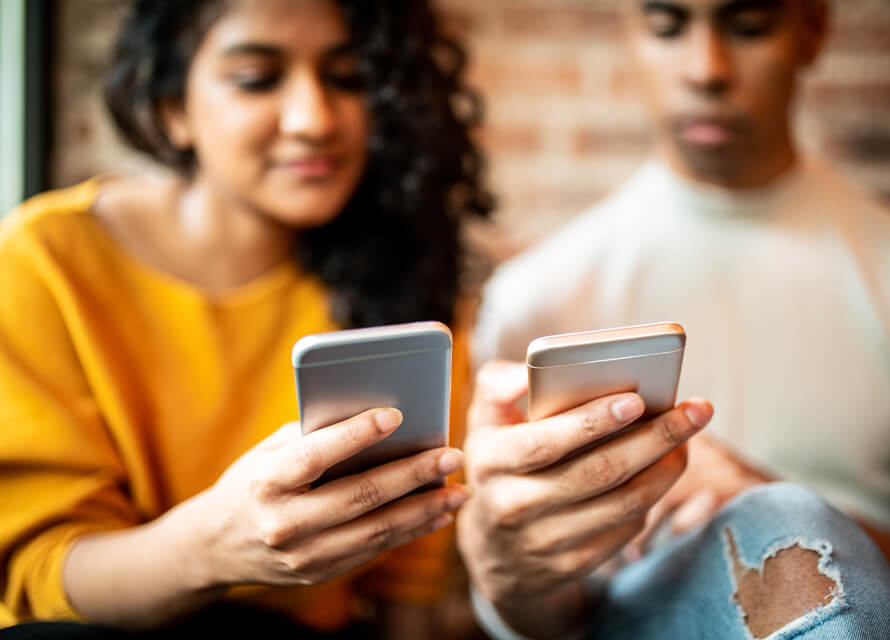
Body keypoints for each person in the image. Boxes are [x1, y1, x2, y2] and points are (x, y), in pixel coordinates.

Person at [0, 0, 492, 637]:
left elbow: (407, 594)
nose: (313, 120)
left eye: (349, 78)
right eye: (257, 79)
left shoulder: (405, 279)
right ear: (173, 108)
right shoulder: (45, 264)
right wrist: (213, 548)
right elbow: (40, 574)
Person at [459, 0, 890, 638]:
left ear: (812, 30)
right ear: (627, 34)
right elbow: (540, 620)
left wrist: (770, 509)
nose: (705, 69)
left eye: (747, 26)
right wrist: (509, 578)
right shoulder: (536, 297)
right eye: (667, 27)